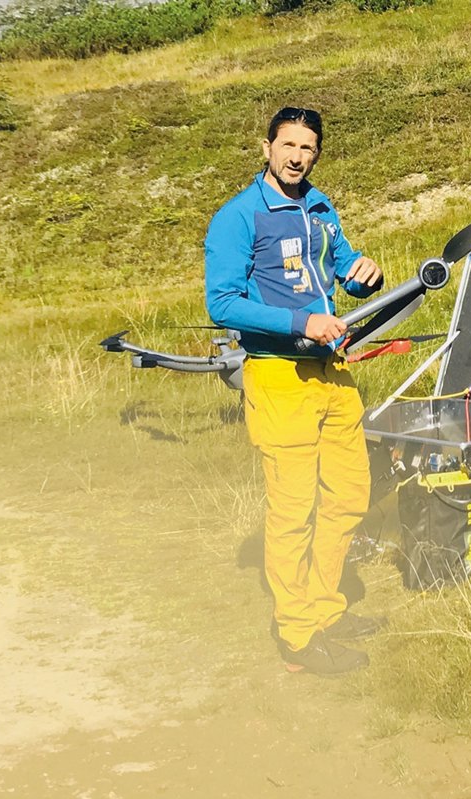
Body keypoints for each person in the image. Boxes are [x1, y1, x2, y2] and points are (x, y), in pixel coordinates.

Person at [205, 107, 387, 675]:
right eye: (287, 145)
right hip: (279, 375)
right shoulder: (238, 218)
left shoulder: (320, 206)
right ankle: (298, 635)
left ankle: (325, 609)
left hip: (333, 372)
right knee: (292, 512)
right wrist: (300, 324)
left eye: (307, 149)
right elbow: (223, 303)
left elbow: (339, 265)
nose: (296, 157)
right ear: (266, 147)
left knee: (350, 496)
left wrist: (361, 272)